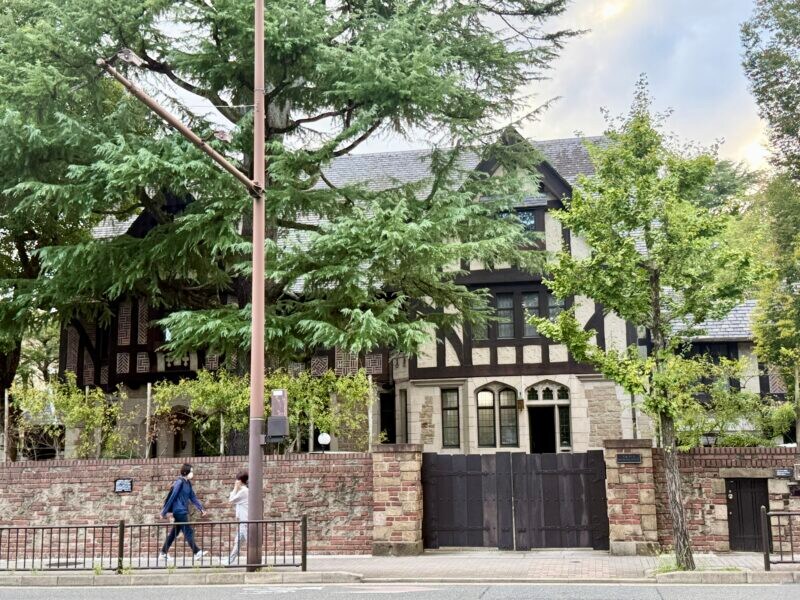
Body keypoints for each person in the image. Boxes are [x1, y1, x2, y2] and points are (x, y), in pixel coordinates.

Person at [159, 463, 207, 562]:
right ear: (185, 472)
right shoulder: (179, 482)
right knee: (188, 531)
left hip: (182, 510)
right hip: (179, 511)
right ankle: (197, 552)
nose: (192, 473)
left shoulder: (188, 483)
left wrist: (201, 508)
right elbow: (172, 497)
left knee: (174, 533)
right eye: (191, 471)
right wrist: (164, 511)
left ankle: (163, 553)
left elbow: (193, 497)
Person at [225, 471, 249, 565]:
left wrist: (235, 487)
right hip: (244, 521)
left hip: (246, 521)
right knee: (238, 542)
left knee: (250, 542)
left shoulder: (243, 491)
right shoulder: (243, 490)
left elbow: (231, 499)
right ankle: (229, 561)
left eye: (237, 480)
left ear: (240, 480)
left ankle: (256, 561)